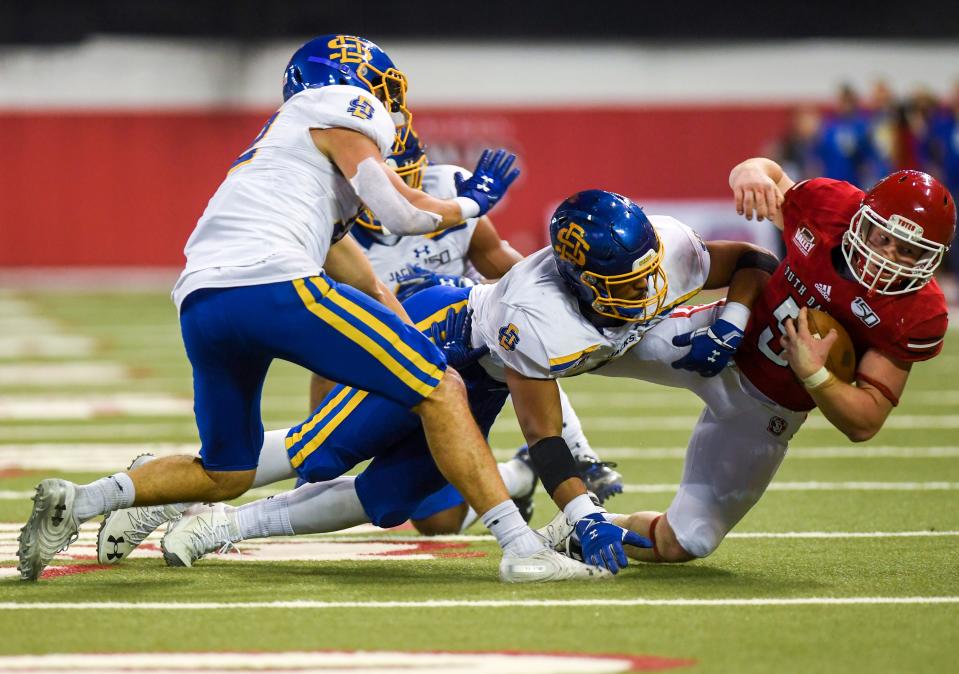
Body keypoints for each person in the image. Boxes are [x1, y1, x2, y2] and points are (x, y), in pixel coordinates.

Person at [15, 34, 597, 584]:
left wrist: (412, 309)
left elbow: (361, 268)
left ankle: (85, 499)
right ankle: (522, 550)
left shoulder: (284, 156)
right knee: (441, 388)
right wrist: (470, 202)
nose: (389, 101)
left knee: (227, 471)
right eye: (379, 85)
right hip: (270, 284)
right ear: (346, 81)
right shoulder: (337, 104)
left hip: (203, 304)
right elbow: (398, 212)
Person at [129, 189, 775, 573]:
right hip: (441, 331)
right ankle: (177, 482)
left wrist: (738, 314)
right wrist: (582, 512)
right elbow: (543, 435)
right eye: (625, 285)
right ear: (581, 281)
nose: (646, 290)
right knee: (324, 447)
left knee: (393, 497)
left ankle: (230, 527)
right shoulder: (538, 313)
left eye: (646, 274)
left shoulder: (669, 252)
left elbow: (752, 259)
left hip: (486, 374)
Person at [553, 159, 955, 564]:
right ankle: (491, 342)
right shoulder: (829, 207)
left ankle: (581, 530)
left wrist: (815, 374)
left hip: (768, 411)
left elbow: (865, 420)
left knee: (687, 541)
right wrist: (749, 173)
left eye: (907, 251)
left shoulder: (917, 313)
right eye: (883, 237)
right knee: (578, 346)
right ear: (863, 218)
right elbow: (769, 176)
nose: (886, 256)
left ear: (930, 259)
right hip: (720, 337)